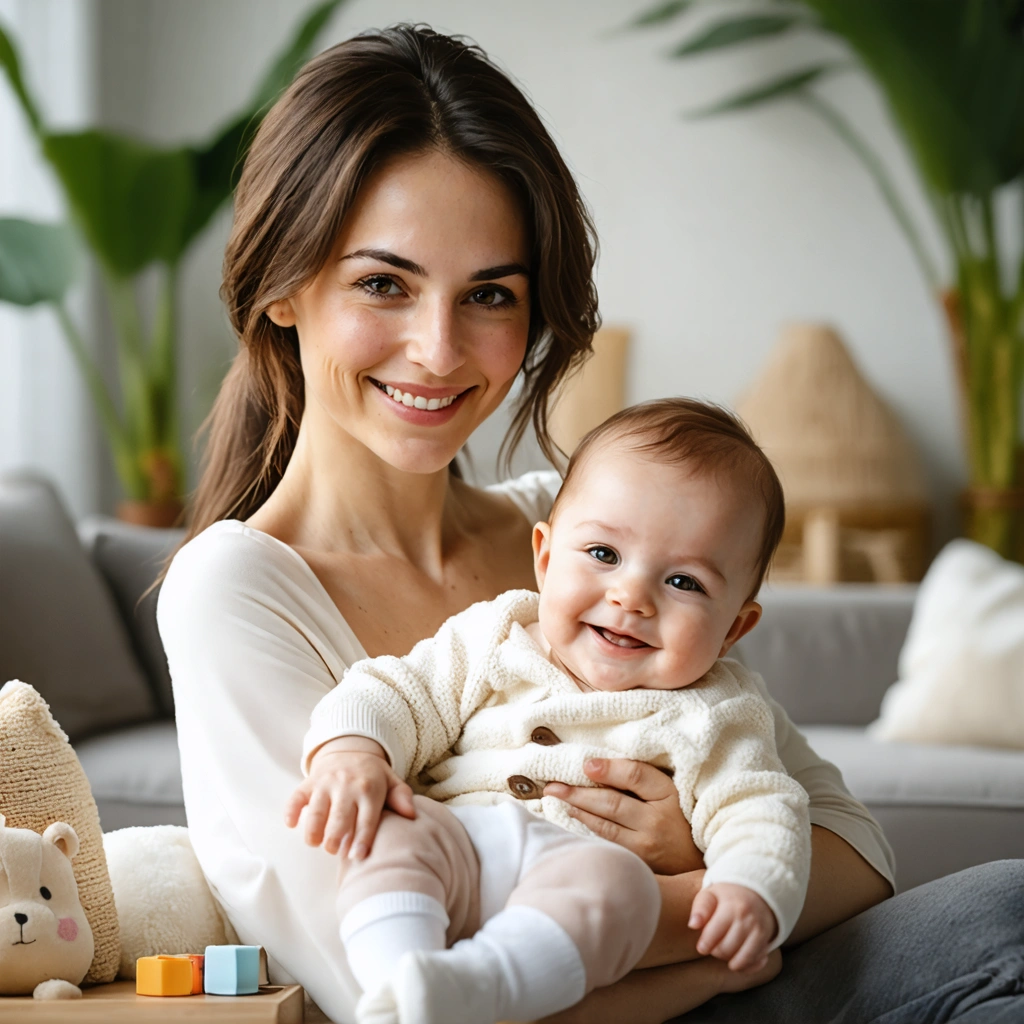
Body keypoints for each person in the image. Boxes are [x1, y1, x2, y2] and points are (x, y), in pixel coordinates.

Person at [156, 23, 1024, 1024]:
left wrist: (705, 854)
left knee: (1006, 905)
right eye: (383, 283)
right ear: (281, 288)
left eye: (489, 294)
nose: (438, 350)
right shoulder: (237, 588)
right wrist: (704, 939)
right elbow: (388, 994)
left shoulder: (575, 536)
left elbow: (853, 848)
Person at [288, 399, 811, 1024]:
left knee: (620, 894)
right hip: (462, 850)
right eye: (604, 554)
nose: (631, 597)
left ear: (734, 630)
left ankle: (481, 989)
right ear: (544, 556)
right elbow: (396, 691)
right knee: (389, 831)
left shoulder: (716, 711)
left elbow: (760, 806)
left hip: (577, 881)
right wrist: (352, 753)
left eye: (684, 583)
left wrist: (751, 886)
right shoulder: (497, 633)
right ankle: (396, 986)